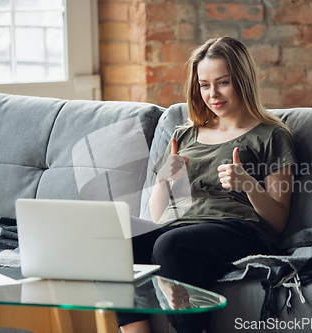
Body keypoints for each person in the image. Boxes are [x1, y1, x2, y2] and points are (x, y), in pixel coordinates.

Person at [118, 36, 297, 333]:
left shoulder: (271, 135)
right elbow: (154, 215)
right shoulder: (184, 135)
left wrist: (248, 185)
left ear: (242, 81)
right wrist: (164, 179)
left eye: (223, 82)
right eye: (204, 85)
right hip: (182, 228)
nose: (212, 94)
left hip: (239, 231)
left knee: (170, 245)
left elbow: (278, 222)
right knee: (118, 241)